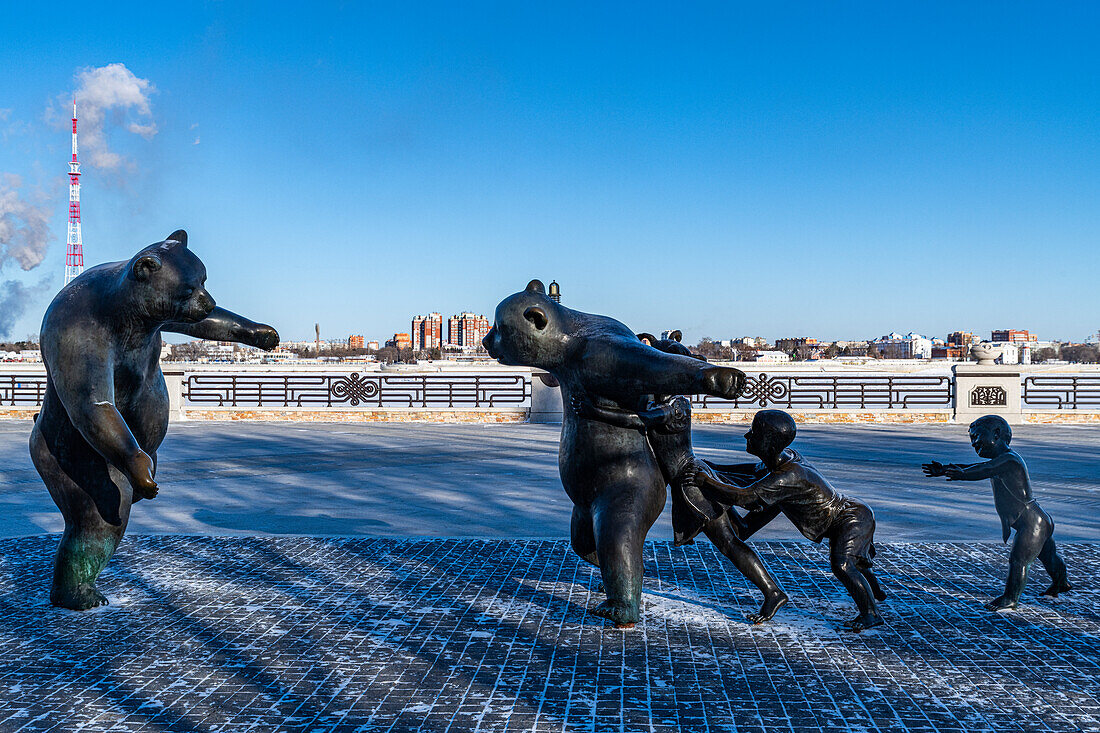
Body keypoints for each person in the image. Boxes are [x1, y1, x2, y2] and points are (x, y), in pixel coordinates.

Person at [572, 338, 788, 624]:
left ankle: (772, 592)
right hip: (687, 478)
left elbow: (638, 420)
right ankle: (624, 575)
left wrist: (592, 411)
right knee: (731, 536)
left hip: (693, 483)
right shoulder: (659, 399)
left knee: (728, 542)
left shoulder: (675, 406)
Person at [690, 410, 886, 632]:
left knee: (843, 564)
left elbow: (745, 497)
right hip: (805, 506)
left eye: (753, 432)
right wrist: (714, 469)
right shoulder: (780, 460)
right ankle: (875, 591)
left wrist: (706, 481)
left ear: (769, 444)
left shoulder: (788, 475)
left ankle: (871, 614)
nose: (747, 435)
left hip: (851, 518)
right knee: (742, 530)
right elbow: (752, 473)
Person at [922, 415, 1071, 610]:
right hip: (1036, 519)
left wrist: (960, 474)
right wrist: (945, 469)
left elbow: (983, 469)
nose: (974, 443)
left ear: (997, 434)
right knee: (1049, 556)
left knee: (1018, 560)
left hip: (1031, 523)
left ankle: (1010, 598)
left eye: (977, 437)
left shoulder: (1009, 460)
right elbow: (978, 467)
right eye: (971, 439)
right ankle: (1062, 582)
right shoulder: (1001, 460)